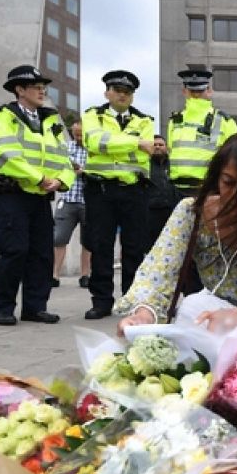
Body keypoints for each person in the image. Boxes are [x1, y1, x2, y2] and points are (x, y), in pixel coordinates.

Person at [116, 132, 237, 335]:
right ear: (217, 177)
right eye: (228, 182)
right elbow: (157, 273)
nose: (236, 196)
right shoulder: (192, 213)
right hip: (207, 324)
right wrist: (143, 315)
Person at [0, 66, 74, 325]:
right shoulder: (1, 118)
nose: (42, 90)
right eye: (35, 86)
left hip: (41, 197)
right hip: (12, 195)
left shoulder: (51, 121)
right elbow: (6, 155)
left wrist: (60, 180)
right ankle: (3, 307)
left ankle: (35, 307)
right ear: (19, 90)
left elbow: (64, 159)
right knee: (14, 251)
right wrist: (39, 177)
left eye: (43, 86)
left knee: (42, 254)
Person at [81, 70, 156, 320]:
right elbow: (94, 142)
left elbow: (146, 152)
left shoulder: (145, 120)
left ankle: (131, 299)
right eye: (118, 90)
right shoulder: (93, 115)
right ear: (107, 92)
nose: (123, 95)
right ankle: (101, 301)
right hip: (100, 189)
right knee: (101, 246)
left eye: (128, 92)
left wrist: (114, 143)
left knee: (134, 248)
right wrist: (134, 143)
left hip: (134, 190)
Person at [167, 69, 237, 198]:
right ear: (184, 91)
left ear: (209, 91)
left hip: (207, 191)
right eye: (192, 90)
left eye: (200, 90)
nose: (196, 94)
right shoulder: (175, 121)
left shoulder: (224, 121)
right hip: (175, 191)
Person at [52, 119, 90, 289]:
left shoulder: (95, 150)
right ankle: (53, 275)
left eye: (81, 134)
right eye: (76, 134)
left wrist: (84, 171)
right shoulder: (66, 148)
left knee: (88, 241)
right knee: (58, 238)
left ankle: (85, 275)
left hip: (89, 201)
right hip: (68, 198)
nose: (78, 137)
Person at [145, 135, 177, 252]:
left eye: (161, 145)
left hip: (170, 212)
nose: (157, 147)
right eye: (155, 145)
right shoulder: (145, 164)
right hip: (150, 214)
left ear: (166, 147)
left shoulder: (174, 164)